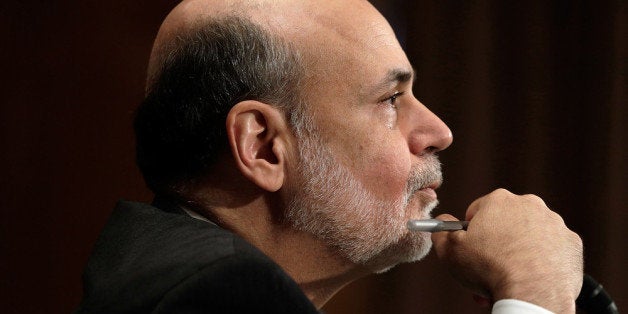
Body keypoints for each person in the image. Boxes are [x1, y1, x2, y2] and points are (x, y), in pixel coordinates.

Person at [77, 0, 583, 313]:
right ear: (264, 147)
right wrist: (533, 293)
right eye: (390, 100)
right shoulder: (217, 293)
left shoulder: (172, 271)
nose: (439, 132)